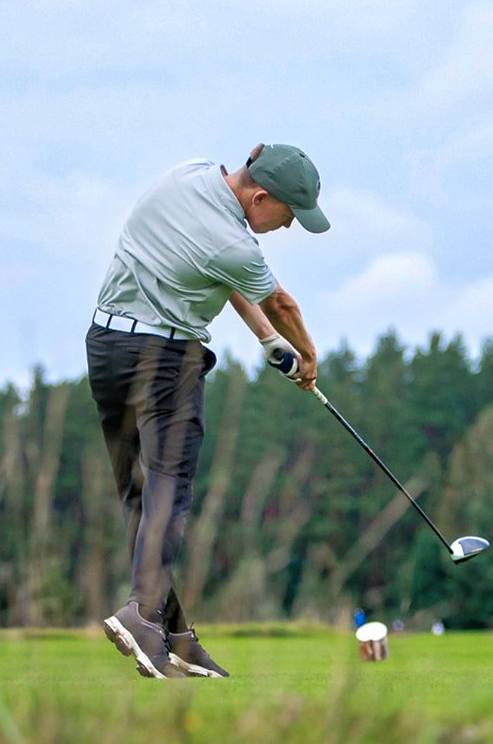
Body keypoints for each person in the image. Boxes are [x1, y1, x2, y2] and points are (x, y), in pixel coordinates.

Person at [88, 143, 327, 679]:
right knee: (169, 490)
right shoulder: (238, 245)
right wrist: (307, 356)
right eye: (288, 216)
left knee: (141, 495)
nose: (287, 228)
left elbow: (217, 269)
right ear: (261, 197)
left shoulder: (187, 174)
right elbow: (279, 301)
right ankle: (141, 615)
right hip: (166, 362)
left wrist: (268, 342)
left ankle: (173, 636)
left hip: (107, 347)